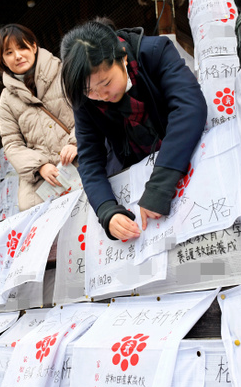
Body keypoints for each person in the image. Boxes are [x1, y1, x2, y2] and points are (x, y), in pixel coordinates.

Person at [60, 20, 207, 240]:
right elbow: (90, 159)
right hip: (137, 167)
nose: (102, 95)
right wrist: (107, 211)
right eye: (90, 90)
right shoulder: (84, 101)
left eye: (107, 83)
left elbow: (189, 108)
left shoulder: (155, 51)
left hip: (184, 152)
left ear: (123, 57)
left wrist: (160, 184)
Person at [0, 24, 78, 210]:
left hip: (81, 159)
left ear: (34, 46)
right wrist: (39, 166)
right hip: (43, 182)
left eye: (22, 47)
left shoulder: (64, 72)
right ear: (3, 60)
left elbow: (88, 107)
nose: (18, 56)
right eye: (9, 52)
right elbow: (12, 144)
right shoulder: (6, 100)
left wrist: (76, 141)